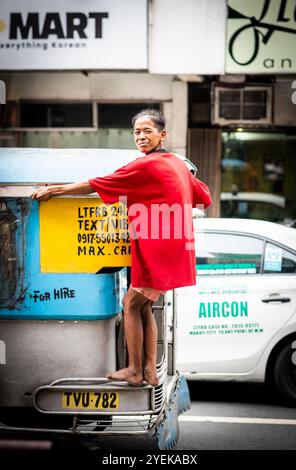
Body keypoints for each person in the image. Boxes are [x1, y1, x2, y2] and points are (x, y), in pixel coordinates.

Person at [31, 109, 212, 387]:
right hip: (172, 248)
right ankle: (149, 370)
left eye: (147, 131)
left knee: (129, 304)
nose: (141, 136)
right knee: (144, 307)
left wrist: (54, 190)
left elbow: (93, 184)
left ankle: (135, 371)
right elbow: (205, 197)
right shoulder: (175, 162)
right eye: (137, 132)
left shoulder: (144, 166)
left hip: (157, 249)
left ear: (162, 135)